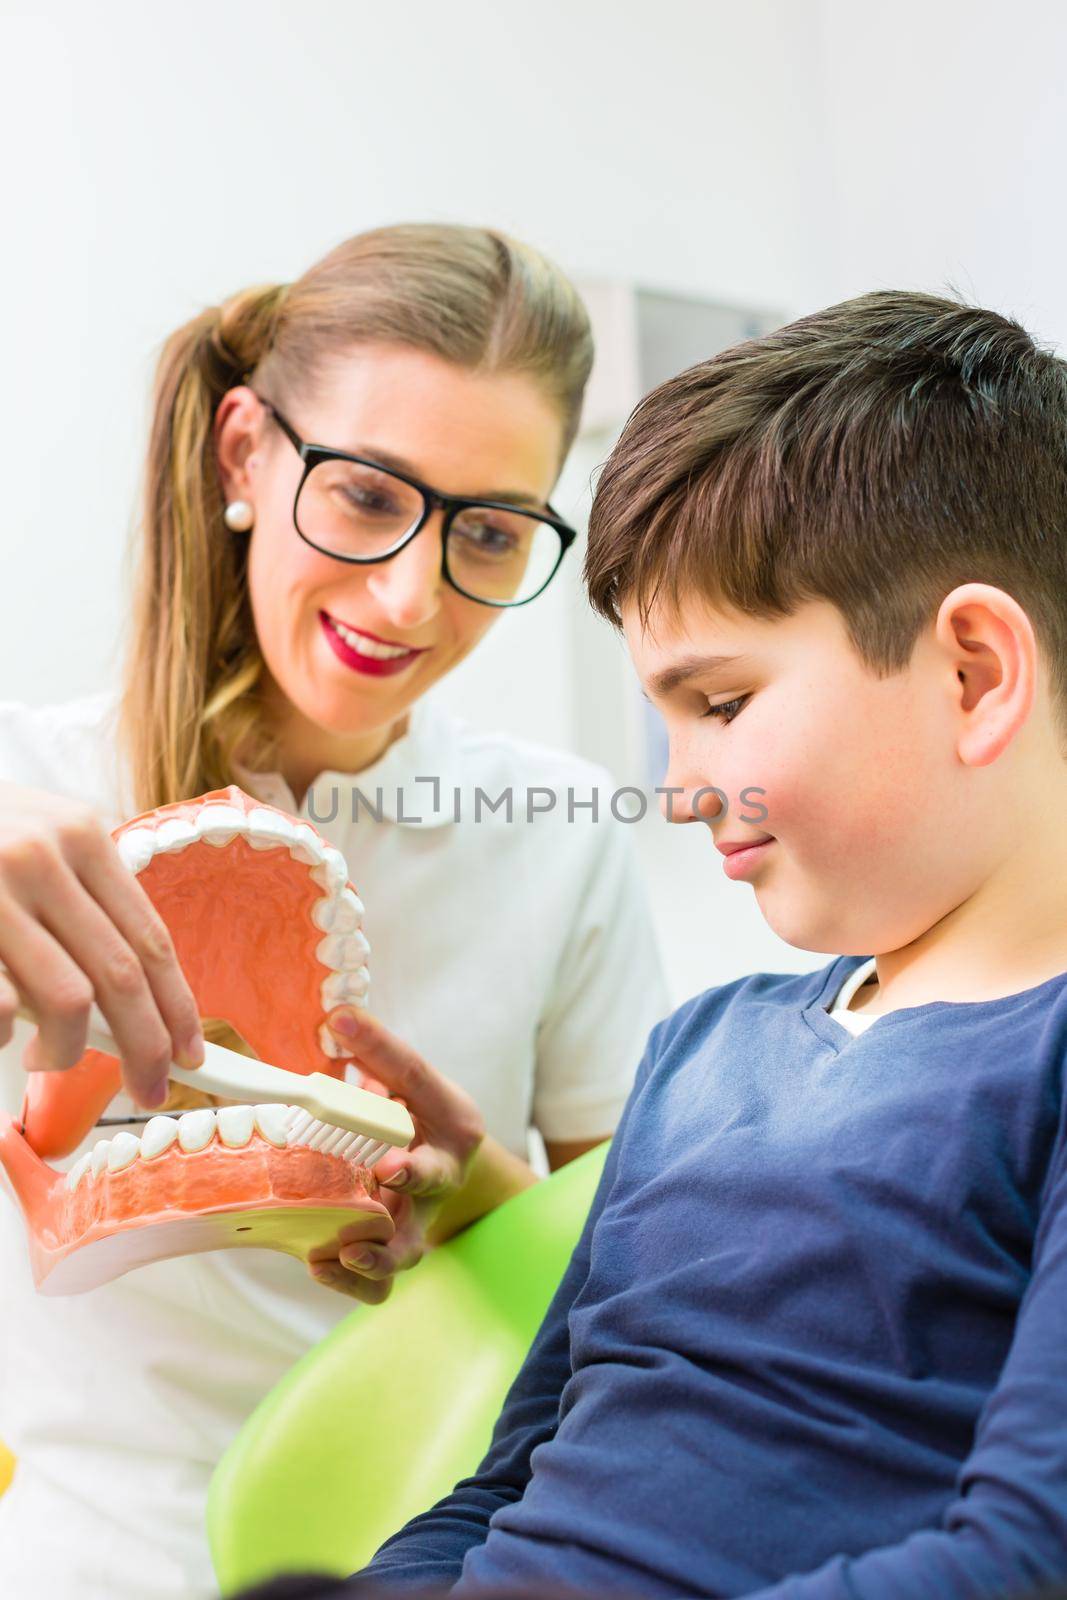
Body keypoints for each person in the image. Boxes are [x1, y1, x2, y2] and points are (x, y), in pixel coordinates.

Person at [339, 292, 1067, 1597]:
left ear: (973, 675)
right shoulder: (699, 1051)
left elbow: (1021, 1560)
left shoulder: (1043, 1068)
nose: (680, 785)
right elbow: (509, 1483)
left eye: (723, 704)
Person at [0, 223, 668, 1598]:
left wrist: (467, 1190)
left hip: (434, 1555)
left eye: (488, 531)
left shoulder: (559, 843)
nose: (413, 594)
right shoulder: (32, 793)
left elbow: (634, 1302)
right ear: (245, 455)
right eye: (367, 497)